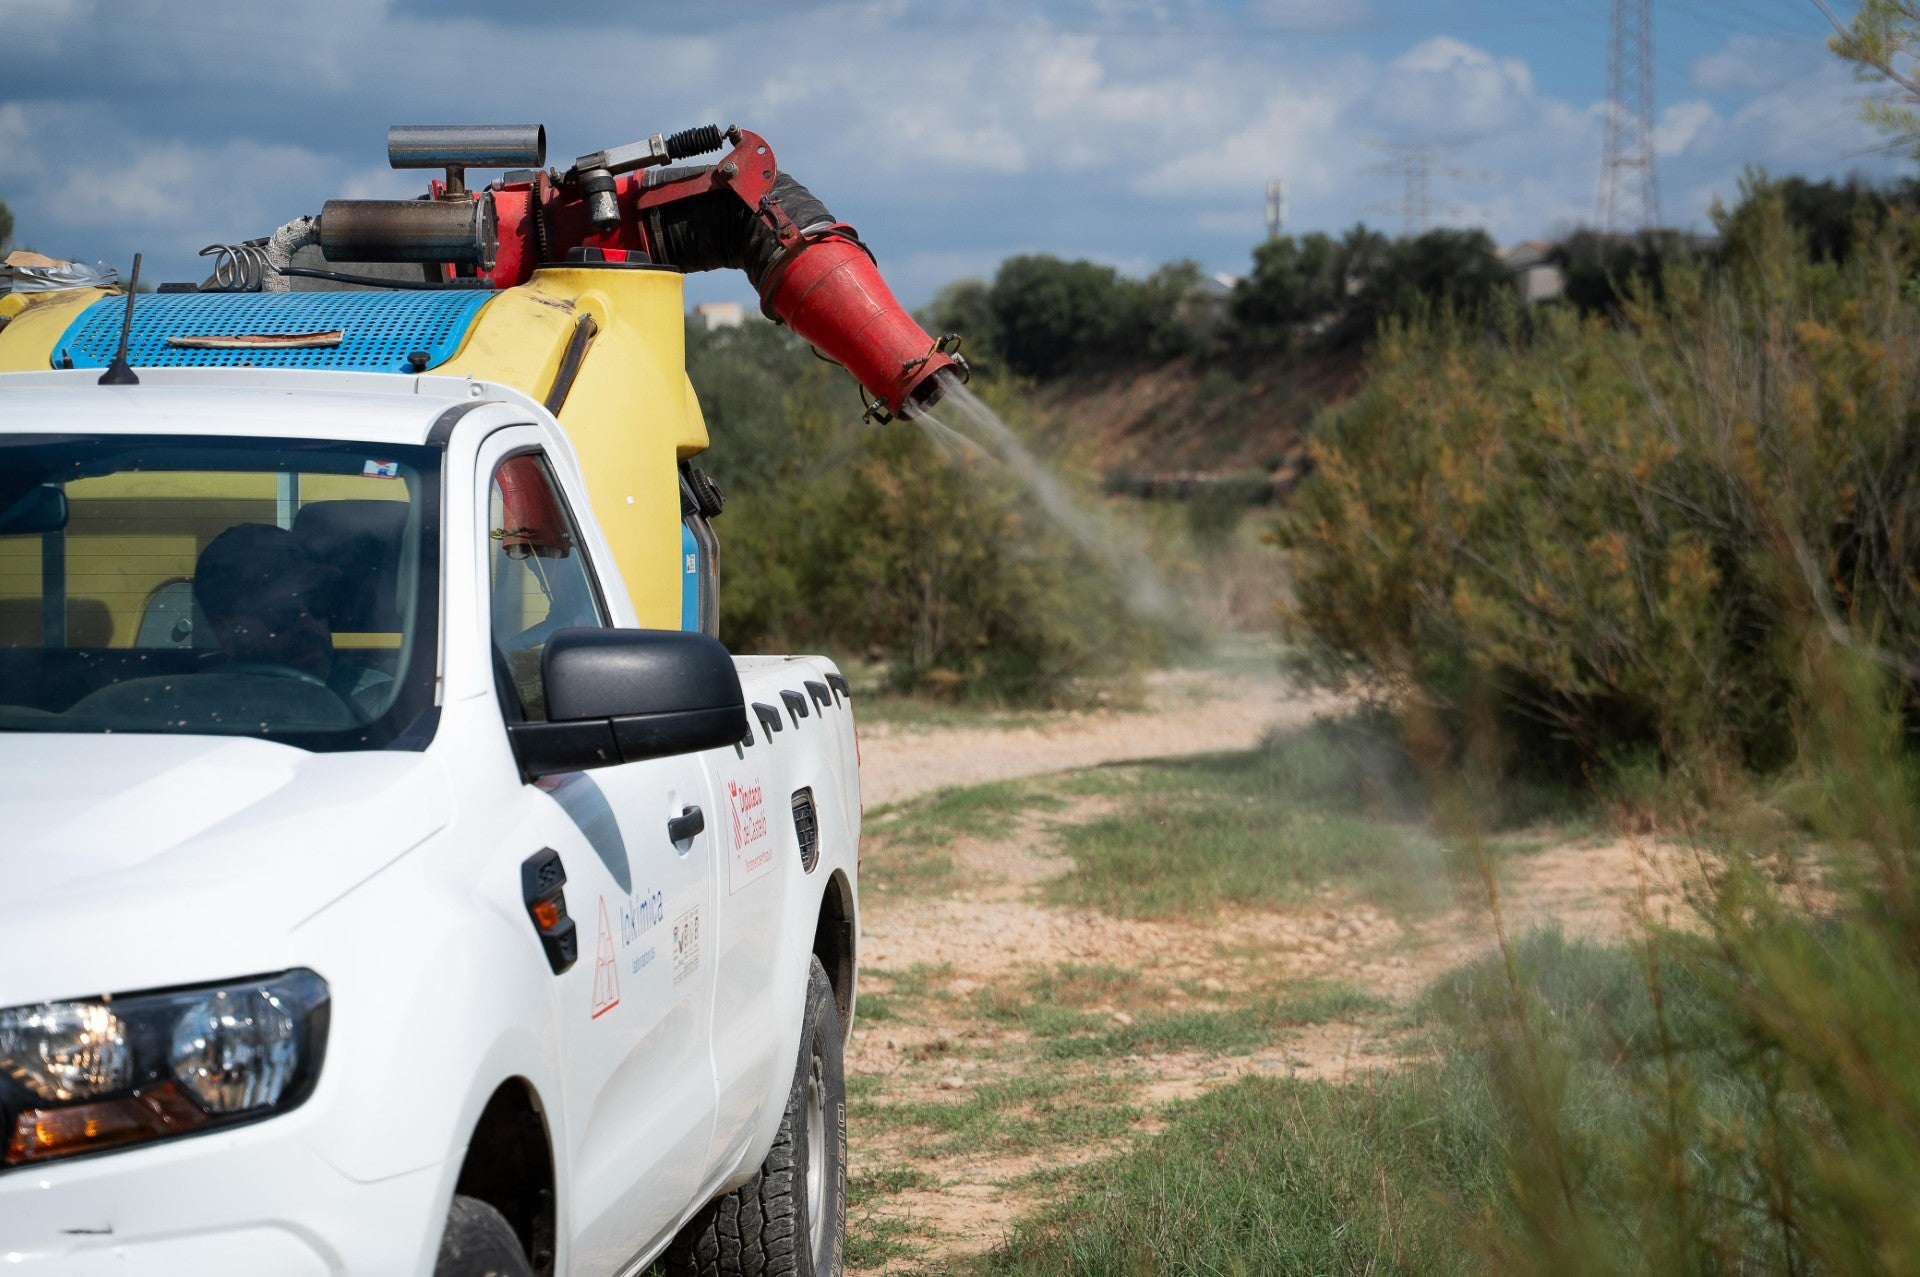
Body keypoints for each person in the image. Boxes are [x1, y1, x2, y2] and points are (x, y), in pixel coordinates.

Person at [193, 523, 391, 714]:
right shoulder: (196, 709)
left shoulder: (379, 703)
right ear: (225, 632)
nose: (308, 623)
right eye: (282, 611)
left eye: (316, 599)